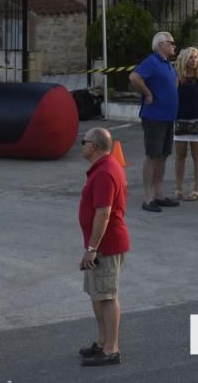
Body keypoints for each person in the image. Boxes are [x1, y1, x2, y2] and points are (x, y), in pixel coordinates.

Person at [77, 128, 129, 367]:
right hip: (100, 246)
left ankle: (111, 349)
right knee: (97, 294)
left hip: (105, 246)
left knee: (107, 297)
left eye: (83, 141)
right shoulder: (103, 168)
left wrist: (92, 248)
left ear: (94, 146)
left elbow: (104, 213)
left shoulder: (105, 172)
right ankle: (102, 342)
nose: (82, 145)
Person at [128, 31, 179, 212]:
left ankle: (159, 193)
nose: (174, 45)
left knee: (163, 155)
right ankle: (148, 197)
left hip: (167, 116)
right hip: (154, 116)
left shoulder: (167, 64)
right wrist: (148, 93)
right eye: (170, 42)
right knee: (152, 155)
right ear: (160, 45)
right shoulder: (152, 61)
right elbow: (134, 77)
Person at [172, 46, 198, 201]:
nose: (194, 60)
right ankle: (178, 188)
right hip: (180, 117)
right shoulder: (177, 76)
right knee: (180, 154)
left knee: (197, 153)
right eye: (190, 57)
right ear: (184, 59)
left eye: (196, 57)